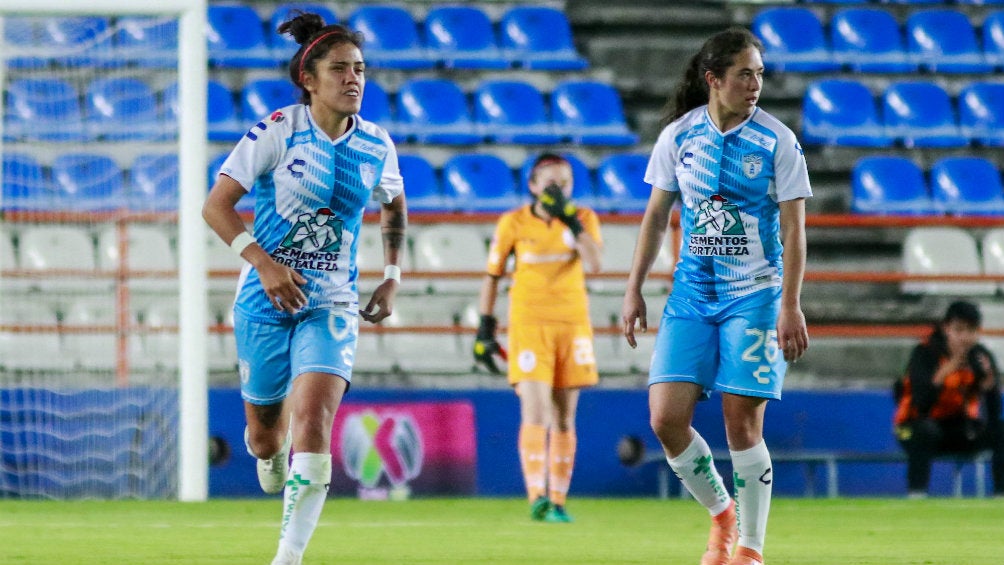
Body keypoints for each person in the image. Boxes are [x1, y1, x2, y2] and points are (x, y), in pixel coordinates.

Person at [202, 13, 407, 565]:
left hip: (332, 300)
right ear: (308, 79)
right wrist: (263, 264)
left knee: (314, 418)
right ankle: (268, 456)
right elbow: (215, 206)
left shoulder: (376, 143)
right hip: (264, 301)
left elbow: (393, 203)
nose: (354, 79)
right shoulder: (276, 132)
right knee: (267, 436)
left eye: (360, 69)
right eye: (339, 69)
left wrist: (391, 276)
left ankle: (287, 558)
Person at [620, 27, 811, 565]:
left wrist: (790, 303)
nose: (756, 85)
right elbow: (657, 216)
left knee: (740, 421)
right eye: (745, 74)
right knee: (665, 419)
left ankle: (749, 549)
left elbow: (795, 230)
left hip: (755, 293)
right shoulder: (680, 138)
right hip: (692, 293)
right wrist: (633, 288)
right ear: (714, 79)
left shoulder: (777, 141)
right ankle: (722, 514)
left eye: (760, 74)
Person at [473, 152, 603, 523]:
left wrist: (568, 222)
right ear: (532, 186)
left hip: (572, 326)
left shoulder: (583, 218)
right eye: (550, 184)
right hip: (529, 325)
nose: (558, 190)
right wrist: (485, 325)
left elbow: (595, 263)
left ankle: (559, 501)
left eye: (565, 184)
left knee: (564, 416)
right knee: (536, 410)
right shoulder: (512, 222)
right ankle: (537, 498)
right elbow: (492, 275)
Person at [894, 300, 1004, 498]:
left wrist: (990, 388)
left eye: (971, 330)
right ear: (946, 329)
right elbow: (920, 405)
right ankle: (916, 494)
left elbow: (993, 415)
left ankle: (1000, 495)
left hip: (957, 429)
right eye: (958, 330)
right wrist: (943, 374)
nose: (965, 337)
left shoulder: (981, 358)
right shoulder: (924, 353)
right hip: (911, 428)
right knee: (926, 430)